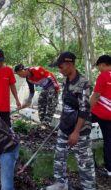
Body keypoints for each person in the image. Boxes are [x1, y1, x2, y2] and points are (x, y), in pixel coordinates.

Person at [46, 52, 96, 190]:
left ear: (69, 65)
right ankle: (60, 184)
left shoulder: (83, 83)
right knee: (59, 157)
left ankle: (89, 187)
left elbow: (84, 110)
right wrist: (62, 123)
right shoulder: (66, 80)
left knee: (85, 163)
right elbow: (67, 104)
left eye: (61, 67)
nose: (59, 70)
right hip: (65, 126)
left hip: (80, 130)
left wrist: (76, 132)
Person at [90, 55, 111, 177]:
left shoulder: (103, 76)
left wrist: (86, 109)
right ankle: (109, 169)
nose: (99, 69)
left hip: (99, 112)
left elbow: (96, 95)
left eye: (99, 67)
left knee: (80, 123)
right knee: (109, 141)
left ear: (103, 64)